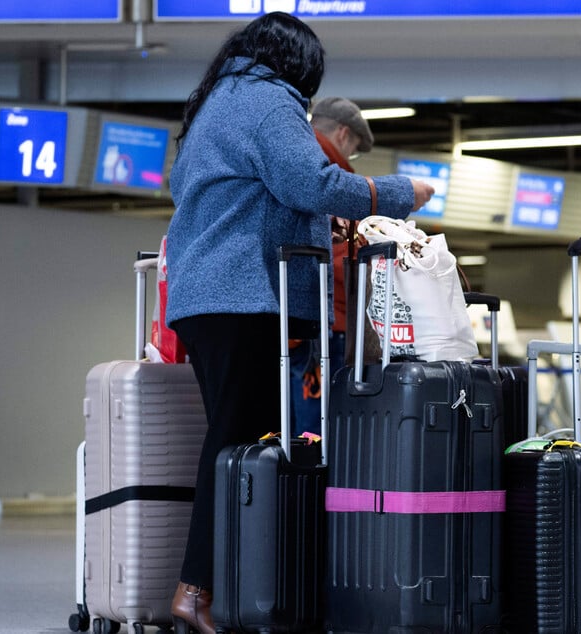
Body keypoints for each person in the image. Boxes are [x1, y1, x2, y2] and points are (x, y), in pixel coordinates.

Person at [162, 13, 434, 634]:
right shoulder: (267, 101)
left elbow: (192, 186)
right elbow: (307, 181)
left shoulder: (215, 103)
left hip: (204, 298)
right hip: (246, 296)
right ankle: (196, 591)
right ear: (297, 63)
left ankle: (222, 588)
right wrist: (397, 192)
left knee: (235, 442)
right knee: (237, 442)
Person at [288, 96, 373, 436]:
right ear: (342, 134)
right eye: (353, 146)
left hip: (295, 328)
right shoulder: (330, 179)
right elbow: (338, 259)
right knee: (322, 432)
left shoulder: (291, 161)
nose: (350, 155)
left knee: (294, 426)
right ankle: (319, 490)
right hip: (326, 329)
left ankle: (290, 487)